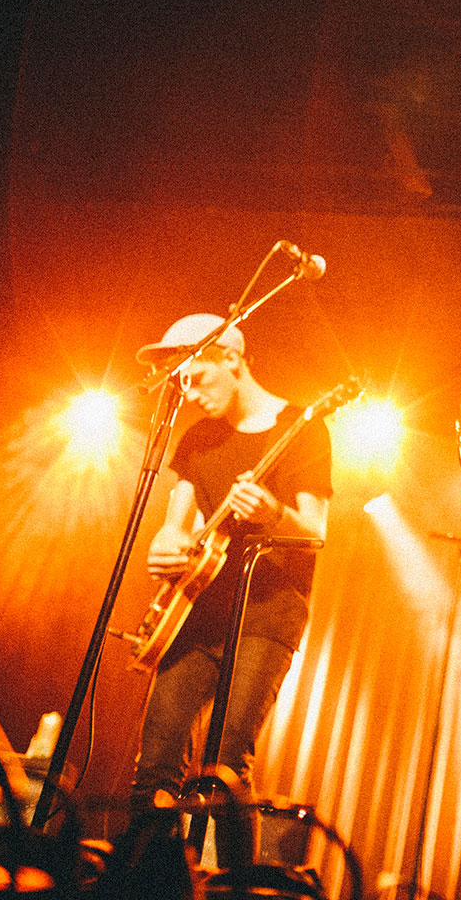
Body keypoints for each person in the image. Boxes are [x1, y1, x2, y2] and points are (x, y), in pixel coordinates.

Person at [129, 314, 331, 831]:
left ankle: (232, 887)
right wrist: (165, 545)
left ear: (232, 360)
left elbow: (314, 532)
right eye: (181, 383)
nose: (189, 393)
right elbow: (175, 525)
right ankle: (150, 883)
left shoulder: (302, 427)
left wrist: (271, 514)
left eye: (197, 378)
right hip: (196, 616)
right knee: (155, 764)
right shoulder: (198, 439)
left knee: (223, 771)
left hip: (266, 618)